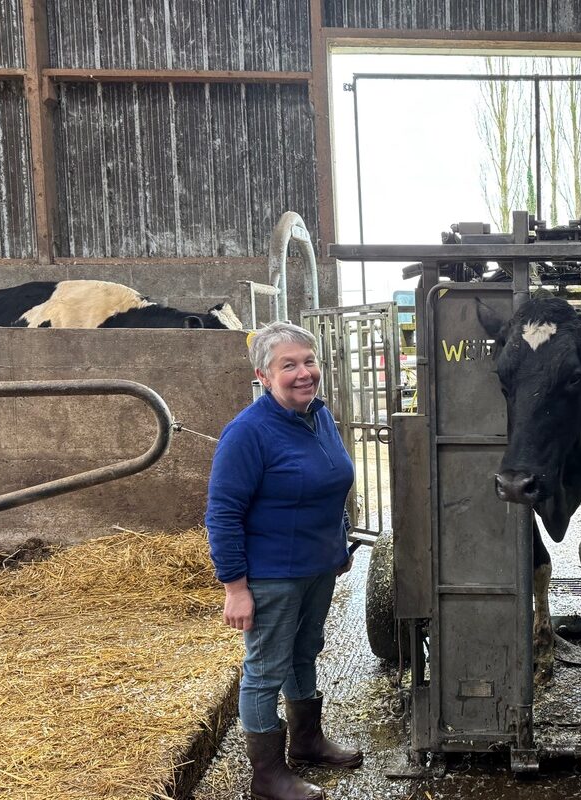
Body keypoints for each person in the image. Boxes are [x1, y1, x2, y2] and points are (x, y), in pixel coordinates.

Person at [206, 321, 362, 800]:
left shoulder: (320, 417)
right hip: (273, 574)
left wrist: (336, 548)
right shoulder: (248, 433)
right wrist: (235, 587)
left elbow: (329, 487)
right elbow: (222, 512)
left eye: (309, 361)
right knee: (265, 669)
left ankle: (308, 742)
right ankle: (268, 776)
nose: (303, 373)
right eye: (288, 365)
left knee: (303, 653)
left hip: (316, 568)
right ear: (264, 375)